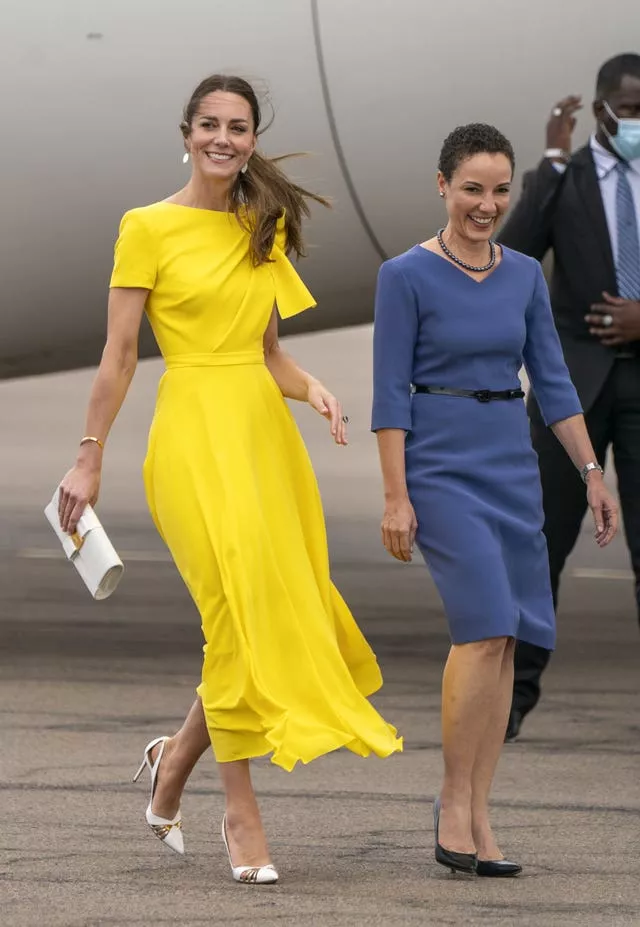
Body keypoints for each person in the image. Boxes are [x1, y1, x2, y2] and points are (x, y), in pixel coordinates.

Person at [57, 73, 402, 885]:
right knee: (231, 619)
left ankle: (173, 761)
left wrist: (313, 389)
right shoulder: (145, 226)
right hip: (190, 439)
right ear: (186, 132)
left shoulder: (264, 225)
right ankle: (239, 812)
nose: (223, 137)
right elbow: (117, 354)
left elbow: (268, 351)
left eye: (238, 126)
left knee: (267, 613)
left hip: (263, 439)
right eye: (209, 124)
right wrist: (88, 452)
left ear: (252, 139)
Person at [371, 123, 618, 877]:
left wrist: (589, 472)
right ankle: (451, 801)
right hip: (440, 464)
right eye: (472, 188)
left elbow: (553, 381)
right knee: (481, 628)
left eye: (501, 189)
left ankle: (479, 808)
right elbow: (388, 395)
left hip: (510, 460)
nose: (487, 204)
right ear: (443, 185)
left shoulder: (522, 276)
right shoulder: (405, 274)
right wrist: (395, 496)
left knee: (507, 636)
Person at [499, 53, 640, 741]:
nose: (636, 119)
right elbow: (514, 249)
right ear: (600, 107)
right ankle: (514, 697)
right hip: (569, 394)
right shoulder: (569, 177)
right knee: (541, 544)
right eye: (627, 107)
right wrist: (551, 160)